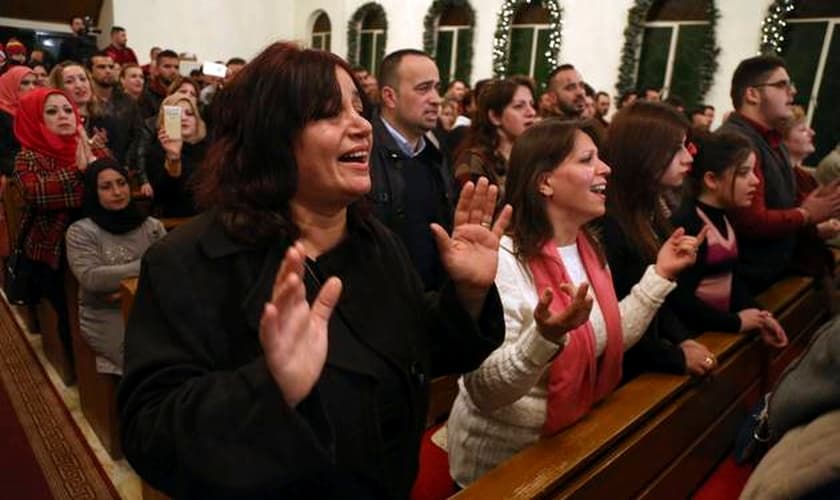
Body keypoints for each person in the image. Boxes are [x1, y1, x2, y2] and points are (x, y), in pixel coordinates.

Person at [117, 41, 508, 499]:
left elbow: (413, 347)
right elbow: (150, 433)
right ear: (271, 136)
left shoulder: (376, 241)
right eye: (329, 113)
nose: (362, 126)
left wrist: (468, 295)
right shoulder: (189, 260)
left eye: (358, 108)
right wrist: (270, 386)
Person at [446, 118, 704, 486]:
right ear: (545, 182)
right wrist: (544, 338)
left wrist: (660, 274)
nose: (606, 168)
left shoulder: (588, 248)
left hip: (567, 441)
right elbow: (486, 391)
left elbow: (607, 335)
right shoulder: (504, 260)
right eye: (587, 160)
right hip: (502, 465)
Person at [602, 101, 716, 379]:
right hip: (622, 369)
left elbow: (659, 303)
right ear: (643, 152)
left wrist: (682, 339)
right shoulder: (609, 223)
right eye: (676, 148)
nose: (687, 158)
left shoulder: (648, 209)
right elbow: (615, 320)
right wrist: (675, 358)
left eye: (685, 146)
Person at [720, 55, 840, 291]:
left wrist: (817, 202)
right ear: (752, 94)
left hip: (775, 273)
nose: (792, 91)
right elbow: (749, 222)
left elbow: (780, 203)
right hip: (745, 282)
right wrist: (805, 214)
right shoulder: (735, 141)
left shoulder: (772, 140)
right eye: (782, 84)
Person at [669, 131, 788, 346]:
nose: (755, 181)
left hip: (716, 332)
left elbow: (729, 279)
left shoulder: (723, 216)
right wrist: (735, 322)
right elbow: (680, 300)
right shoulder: (690, 224)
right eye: (743, 173)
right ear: (712, 179)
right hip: (697, 338)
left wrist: (758, 314)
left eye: (754, 171)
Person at [13, 87, 105, 365]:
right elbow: (37, 194)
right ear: (35, 120)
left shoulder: (92, 148)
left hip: (100, 237)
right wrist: (79, 172)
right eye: (51, 111)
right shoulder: (28, 158)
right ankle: (79, 366)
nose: (63, 116)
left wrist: (92, 170)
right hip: (54, 249)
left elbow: (116, 187)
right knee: (72, 313)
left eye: (68, 110)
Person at [66, 158, 165, 376]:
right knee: (144, 362)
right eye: (106, 187)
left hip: (152, 307)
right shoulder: (81, 232)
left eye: (121, 183)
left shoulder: (151, 226)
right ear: (93, 192)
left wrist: (123, 288)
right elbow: (92, 278)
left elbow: (169, 270)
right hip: (106, 314)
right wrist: (148, 265)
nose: (117, 192)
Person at [369, 49, 454, 291]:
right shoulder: (363, 154)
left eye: (437, 88)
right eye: (423, 88)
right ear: (390, 97)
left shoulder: (435, 154)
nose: (436, 99)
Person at [452, 77, 536, 193]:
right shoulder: (474, 161)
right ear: (495, 117)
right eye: (519, 106)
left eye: (532, 105)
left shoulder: (533, 157)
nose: (531, 112)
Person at [140, 94, 206, 216]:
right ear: (164, 120)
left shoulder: (209, 147)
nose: (183, 118)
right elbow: (163, 194)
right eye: (176, 114)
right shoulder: (157, 151)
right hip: (176, 217)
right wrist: (173, 157)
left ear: (197, 120)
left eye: (189, 114)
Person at [0, 66, 37, 177]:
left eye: (34, 83)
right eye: (25, 83)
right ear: (10, 85)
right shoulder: (2, 114)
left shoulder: (33, 112)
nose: (32, 87)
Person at [138, 49, 179, 119]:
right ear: (157, 69)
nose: (173, 71)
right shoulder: (146, 95)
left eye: (176, 67)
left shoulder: (183, 91)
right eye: (167, 66)